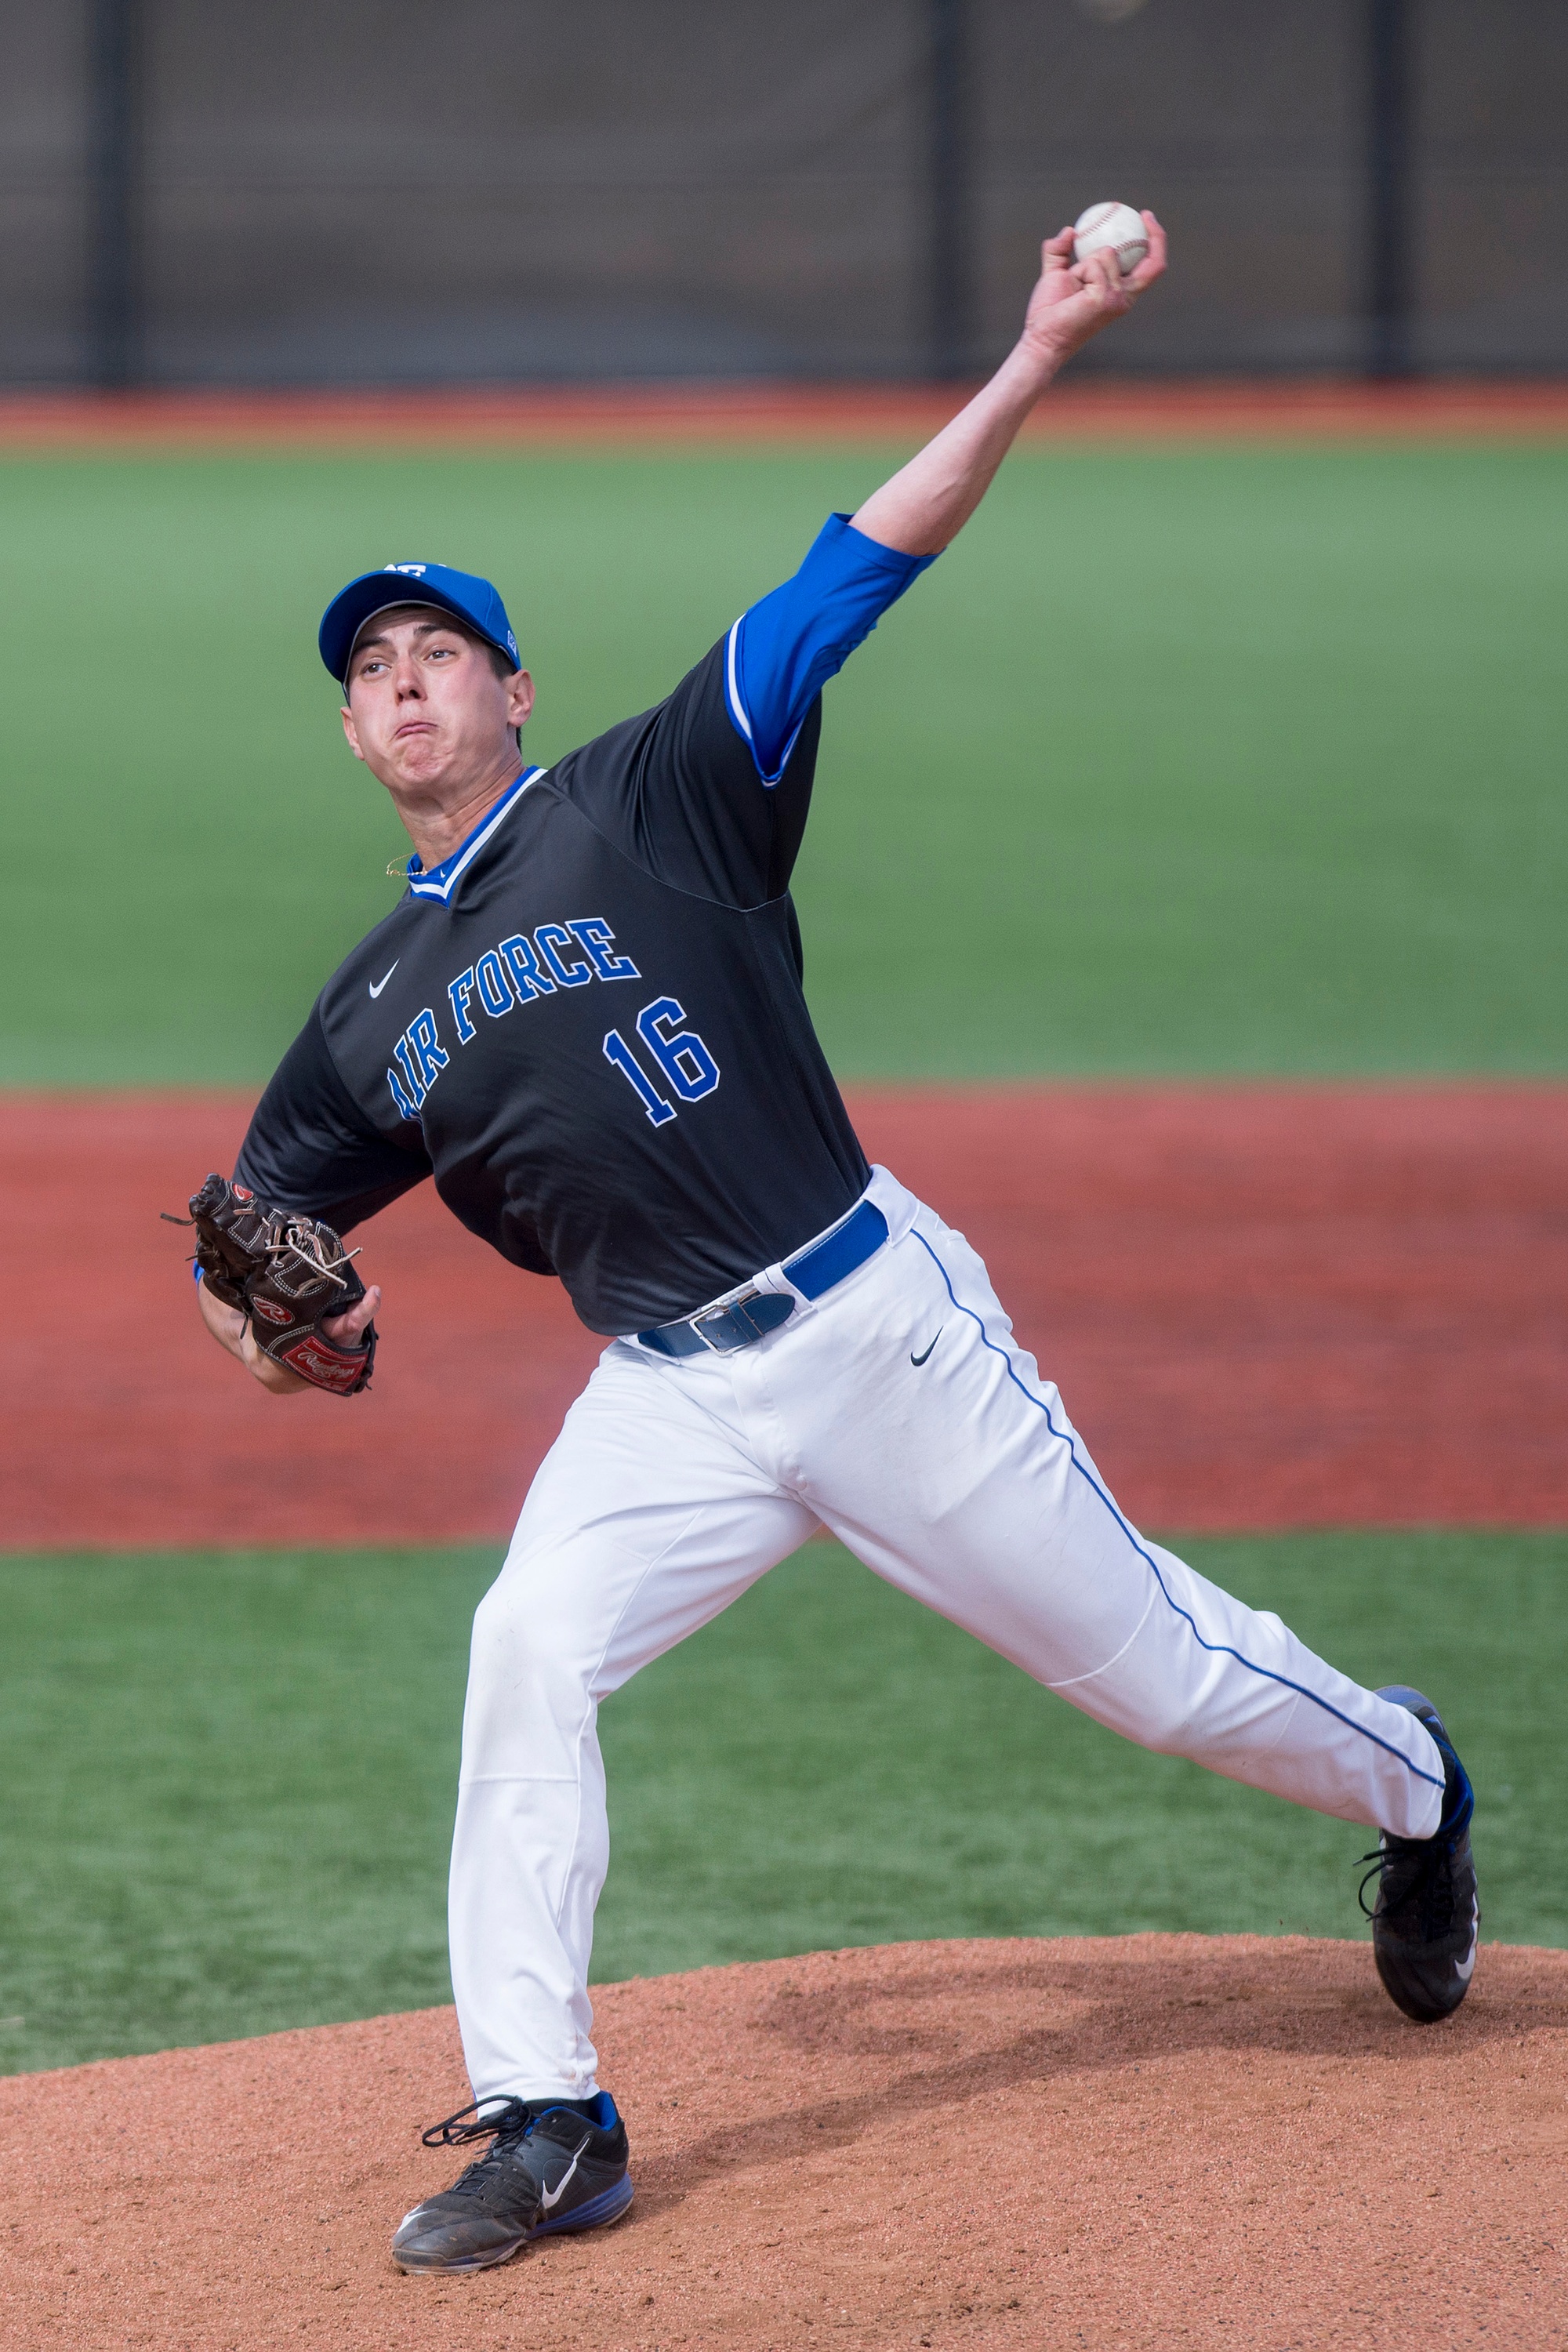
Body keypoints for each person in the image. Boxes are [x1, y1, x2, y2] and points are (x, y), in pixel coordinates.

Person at [194, 220, 1477, 2275]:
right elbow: (255, 1261)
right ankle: (550, 2116)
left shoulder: (657, 793)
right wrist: (294, 1348)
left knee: (1154, 1679)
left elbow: (854, 566)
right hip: (666, 1400)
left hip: (875, 1335)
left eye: (436, 648)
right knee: (525, 1645)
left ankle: (1415, 1786)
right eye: (370, 664)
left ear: (513, 691)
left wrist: (1041, 346)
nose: (402, 680)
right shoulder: (360, 1014)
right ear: (358, 734)